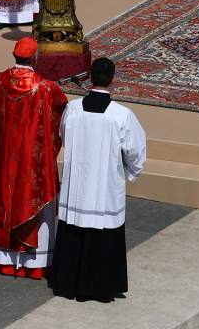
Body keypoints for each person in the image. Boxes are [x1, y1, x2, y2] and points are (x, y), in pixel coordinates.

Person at [0, 36, 67, 279]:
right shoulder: (46, 88)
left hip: (1, 158)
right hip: (31, 162)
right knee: (30, 198)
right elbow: (60, 120)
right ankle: (33, 264)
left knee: (0, 195)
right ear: (34, 57)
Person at [51, 57, 146, 302]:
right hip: (104, 187)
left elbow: (62, 135)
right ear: (113, 80)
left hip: (77, 186)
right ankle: (100, 287)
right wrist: (129, 170)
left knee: (74, 232)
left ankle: (67, 283)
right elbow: (135, 151)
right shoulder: (121, 115)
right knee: (102, 235)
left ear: (90, 78)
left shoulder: (72, 109)